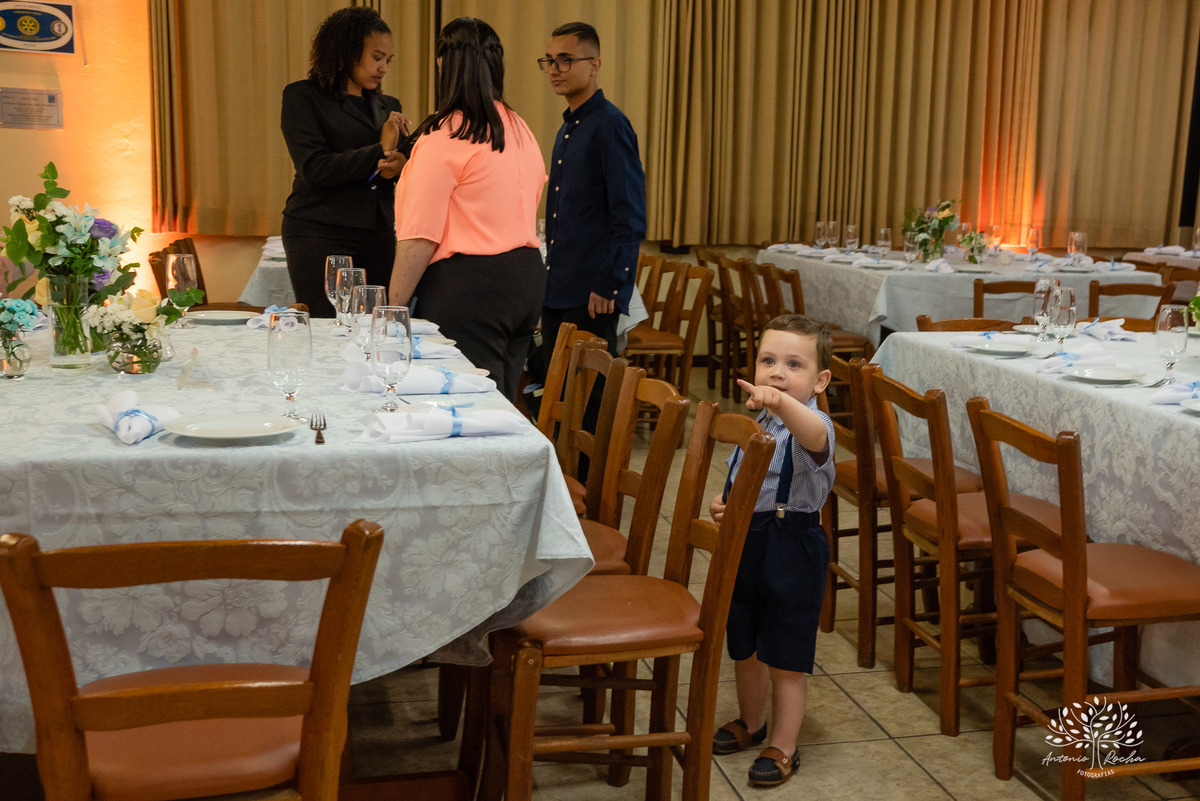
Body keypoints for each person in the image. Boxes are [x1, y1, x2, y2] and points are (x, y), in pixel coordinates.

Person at [388, 17, 547, 401]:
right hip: (526, 280)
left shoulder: (447, 134)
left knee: (468, 405)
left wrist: (390, 312)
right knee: (502, 402)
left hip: (472, 287)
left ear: (446, 66)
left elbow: (419, 238)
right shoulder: (519, 127)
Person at [709, 314, 834, 788]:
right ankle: (752, 720)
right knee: (744, 642)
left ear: (820, 381)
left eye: (794, 365)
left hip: (792, 549)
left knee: (785, 654)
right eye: (768, 361)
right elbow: (748, 479)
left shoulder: (813, 426)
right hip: (747, 542)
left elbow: (813, 438)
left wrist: (782, 403)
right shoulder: (759, 422)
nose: (778, 373)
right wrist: (727, 504)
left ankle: (784, 744)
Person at [281, 6, 410, 316]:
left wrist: (399, 165)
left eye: (388, 60)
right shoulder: (303, 96)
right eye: (377, 57)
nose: (383, 68)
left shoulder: (387, 105)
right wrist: (379, 151)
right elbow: (315, 168)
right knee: (328, 326)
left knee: (377, 325)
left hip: (378, 232)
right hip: (319, 231)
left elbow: (394, 165)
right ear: (347, 52)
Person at [537, 21, 646, 363]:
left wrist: (609, 283)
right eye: (550, 60)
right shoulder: (568, 127)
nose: (554, 69)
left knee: (589, 390)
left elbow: (629, 215)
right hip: (559, 286)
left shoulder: (610, 124)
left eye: (565, 60)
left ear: (595, 65)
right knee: (553, 383)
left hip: (592, 293)